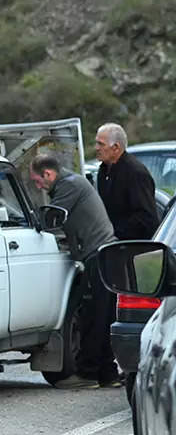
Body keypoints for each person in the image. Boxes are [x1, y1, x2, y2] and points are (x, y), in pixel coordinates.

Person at [30, 152, 118, 389]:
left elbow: (49, 219)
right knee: (104, 316)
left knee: (92, 317)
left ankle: (87, 374)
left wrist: (30, 223)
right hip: (104, 253)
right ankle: (108, 374)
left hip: (97, 255)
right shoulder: (74, 183)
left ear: (48, 174)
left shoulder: (67, 187)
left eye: (37, 181)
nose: (38, 186)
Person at [94, 123, 158, 241]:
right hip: (111, 242)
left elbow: (146, 218)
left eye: (101, 144)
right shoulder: (103, 170)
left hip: (132, 246)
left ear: (116, 148)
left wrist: (114, 231)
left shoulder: (135, 173)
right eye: (96, 143)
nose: (96, 148)